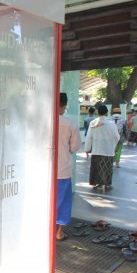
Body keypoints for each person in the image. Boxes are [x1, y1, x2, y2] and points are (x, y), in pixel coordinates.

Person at [56, 93, 81, 241]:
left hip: (44, 169)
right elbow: (75, 146)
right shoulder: (70, 124)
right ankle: (59, 232)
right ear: (65, 105)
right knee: (63, 201)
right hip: (63, 168)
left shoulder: (43, 121)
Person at [85, 105, 120, 191]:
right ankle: (107, 184)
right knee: (107, 166)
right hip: (108, 149)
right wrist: (113, 146)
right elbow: (117, 137)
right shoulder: (111, 124)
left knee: (97, 166)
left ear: (98, 112)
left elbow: (89, 137)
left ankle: (99, 184)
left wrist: (87, 148)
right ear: (107, 113)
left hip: (97, 148)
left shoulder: (93, 123)